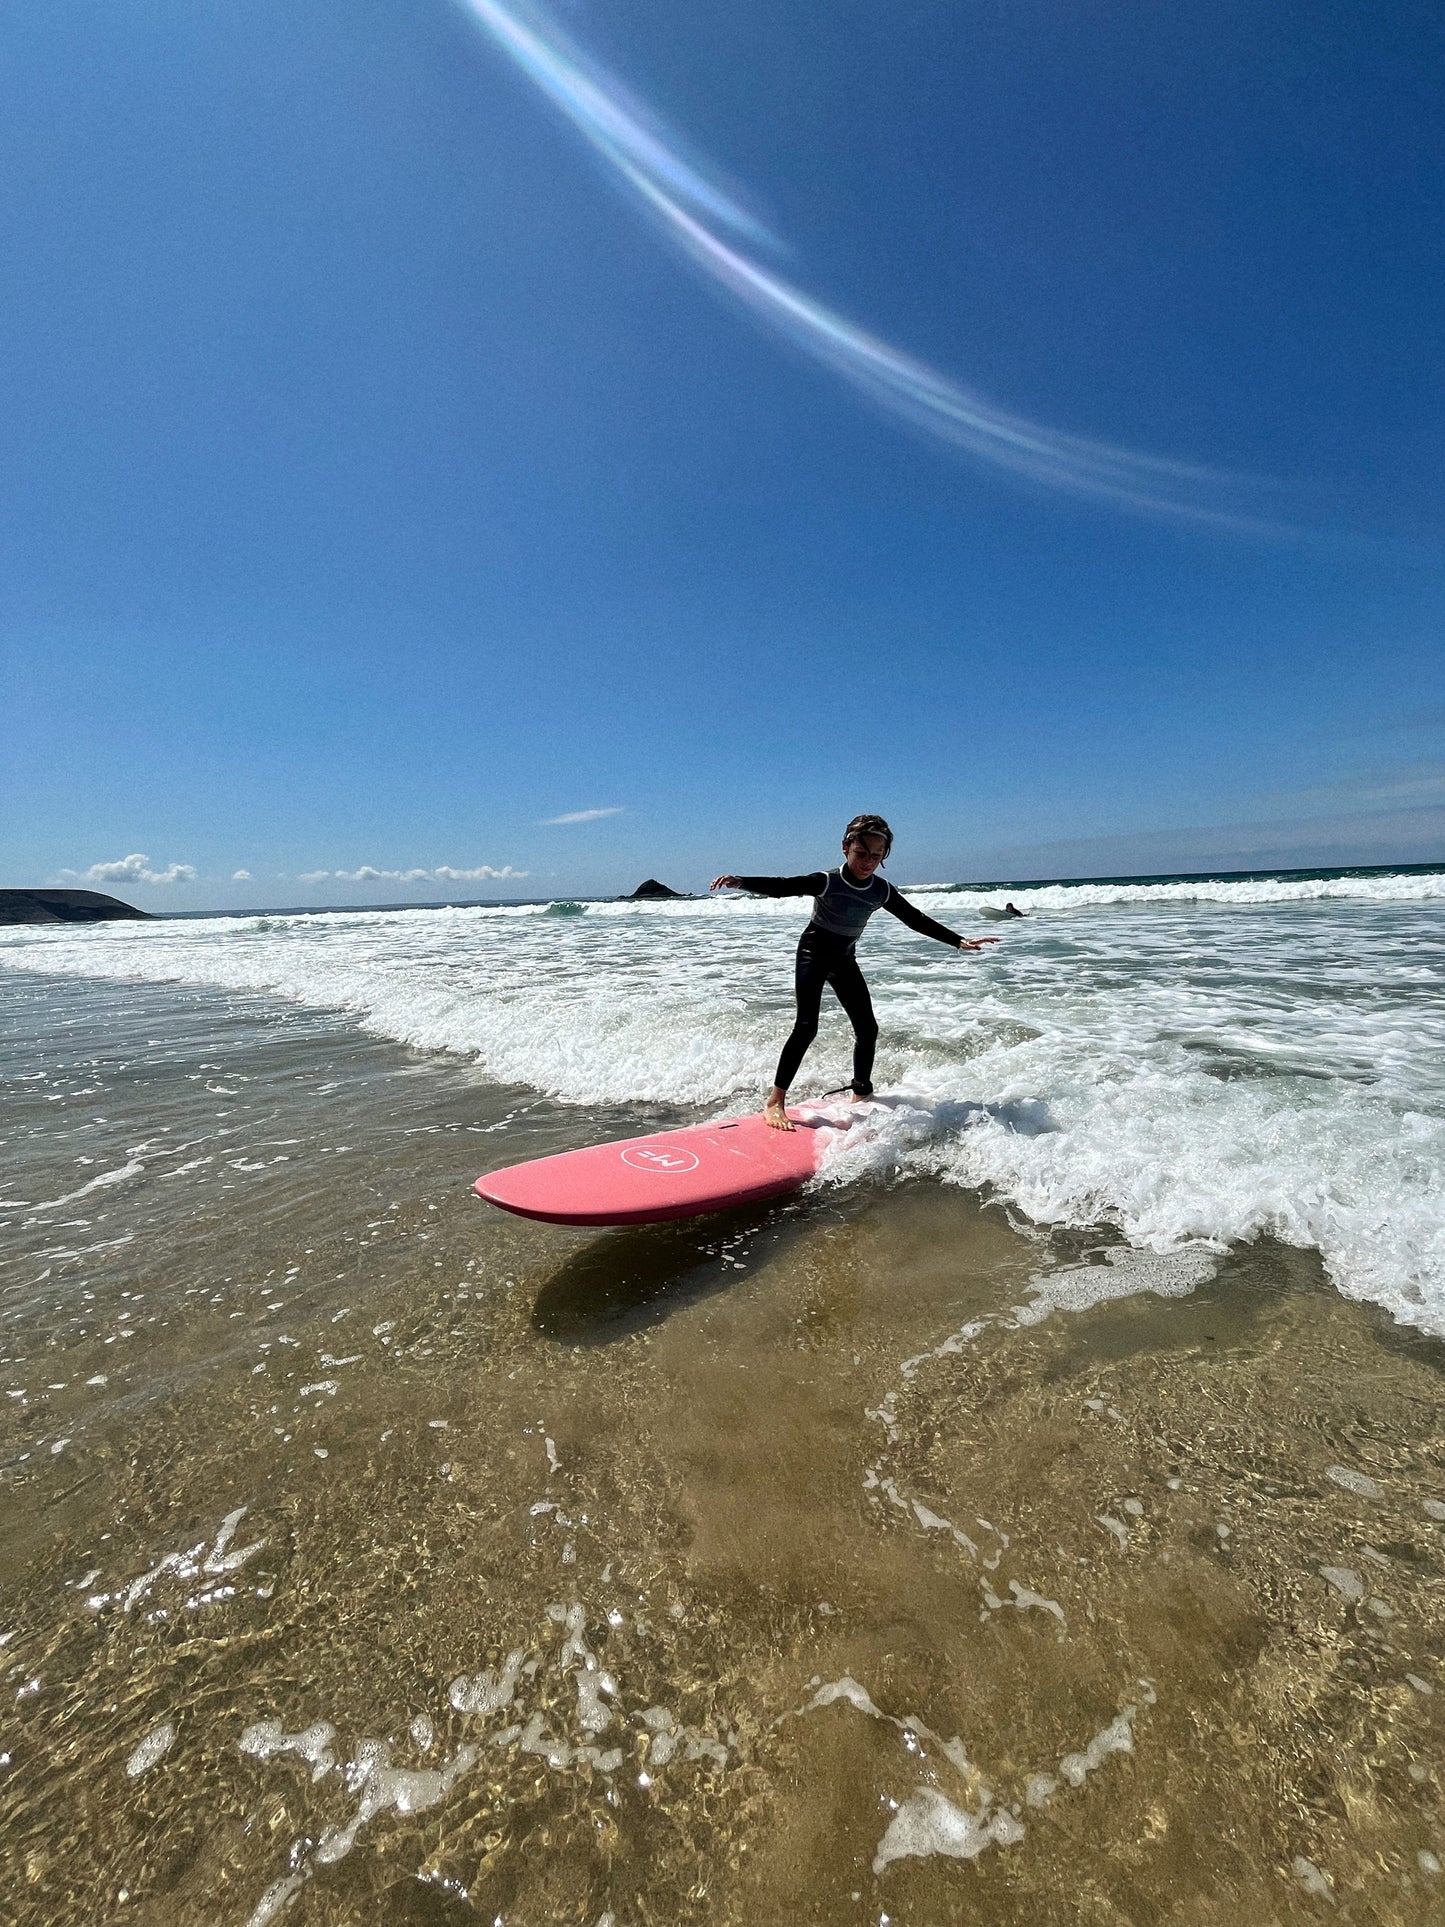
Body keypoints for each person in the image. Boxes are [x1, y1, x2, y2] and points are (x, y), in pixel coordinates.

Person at [711, 814, 998, 1131]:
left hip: (845, 960)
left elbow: (914, 918)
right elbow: (784, 886)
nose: (868, 862)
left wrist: (958, 940)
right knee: (806, 1027)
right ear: (845, 847)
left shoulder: (881, 890)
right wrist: (741, 881)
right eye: (862, 853)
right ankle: (775, 1102)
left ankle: (861, 1092)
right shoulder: (827, 881)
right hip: (813, 954)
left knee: (867, 1028)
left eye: (877, 855)